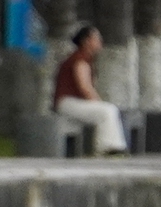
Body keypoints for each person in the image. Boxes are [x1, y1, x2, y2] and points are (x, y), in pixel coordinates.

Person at [53, 25, 129, 153]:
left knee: (108, 110)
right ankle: (107, 148)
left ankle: (112, 146)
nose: (100, 42)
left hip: (73, 102)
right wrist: (98, 102)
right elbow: (85, 87)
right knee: (107, 111)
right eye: (96, 39)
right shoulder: (80, 60)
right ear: (86, 41)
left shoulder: (85, 59)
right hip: (68, 103)